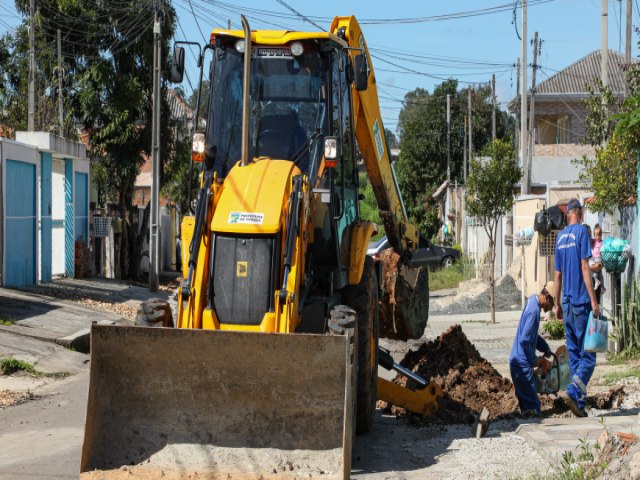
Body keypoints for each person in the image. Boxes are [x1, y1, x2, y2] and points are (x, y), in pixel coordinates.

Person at [554, 198, 600, 417]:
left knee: (574, 357)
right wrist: (593, 299)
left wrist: (556, 303)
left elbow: (557, 275)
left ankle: (579, 404)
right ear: (579, 213)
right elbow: (584, 266)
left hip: (567, 304)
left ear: (567, 214)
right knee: (589, 354)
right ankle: (574, 389)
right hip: (581, 302)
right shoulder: (582, 232)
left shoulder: (560, 237)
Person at [509, 282, 556, 416]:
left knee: (527, 409)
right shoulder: (534, 311)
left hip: (517, 362)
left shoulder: (532, 301)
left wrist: (544, 347)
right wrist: (536, 360)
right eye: (552, 304)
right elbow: (525, 340)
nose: (551, 308)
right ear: (547, 298)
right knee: (534, 408)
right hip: (521, 366)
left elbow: (531, 335)